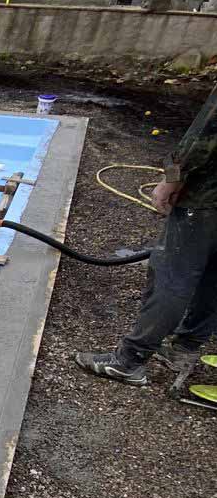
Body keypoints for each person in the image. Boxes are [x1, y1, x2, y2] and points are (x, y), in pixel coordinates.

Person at [76, 86, 217, 394]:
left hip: (208, 199)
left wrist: (173, 178)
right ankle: (185, 346)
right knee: (212, 274)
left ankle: (130, 361)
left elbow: (206, 135)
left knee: (172, 274)